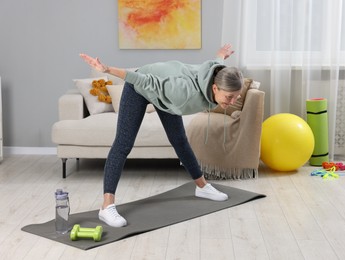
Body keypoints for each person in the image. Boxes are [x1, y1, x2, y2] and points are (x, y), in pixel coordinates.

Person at [80, 44, 243, 227]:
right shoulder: (183, 92)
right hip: (141, 86)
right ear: (215, 89)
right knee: (123, 143)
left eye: (236, 97)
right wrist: (107, 69)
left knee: (179, 140)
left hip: (165, 92)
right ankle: (106, 207)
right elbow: (144, 81)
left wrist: (221, 54)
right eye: (229, 97)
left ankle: (203, 187)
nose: (233, 101)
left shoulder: (218, 77)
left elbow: (217, 64)